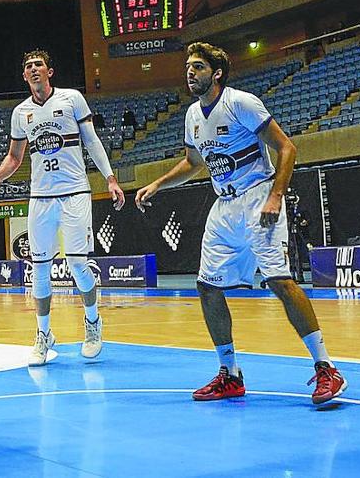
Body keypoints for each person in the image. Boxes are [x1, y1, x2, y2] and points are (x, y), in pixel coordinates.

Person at [134, 42, 347, 407]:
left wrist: (276, 195)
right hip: (225, 206)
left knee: (280, 281)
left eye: (198, 67)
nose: (190, 72)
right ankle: (230, 374)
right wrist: (158, 183)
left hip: (258, 196)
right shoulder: (191, 116)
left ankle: (326, 367)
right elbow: (192, 163)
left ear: (216, 73)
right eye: (188, 66)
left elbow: (286, 148)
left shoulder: (241, 103)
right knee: (207, 287)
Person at [0, 50, 126, 365]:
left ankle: (92, 323)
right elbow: (14, 158)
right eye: (28, 66)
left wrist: (111, 179)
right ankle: (44, 334)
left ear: (50, 71)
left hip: (75, 191)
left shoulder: (72, 99)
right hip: (41, 198)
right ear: (24, 76)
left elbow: (91, 141)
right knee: (40, 270)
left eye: (38, 65)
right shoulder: (20, 113)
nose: (33, 70)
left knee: (77, 264)